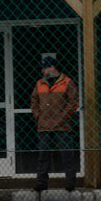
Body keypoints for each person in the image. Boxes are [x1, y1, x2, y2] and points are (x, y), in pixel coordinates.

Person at [30, 56, 79, 192]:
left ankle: (70, 183)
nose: (43, 71)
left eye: (45, 68)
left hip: (62, 126)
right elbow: (34, 101)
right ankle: (41, 183)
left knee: (67, 155)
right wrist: (38, 116)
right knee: (43, 155)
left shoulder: (67, 82)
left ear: (52, 68)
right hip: (44, 125)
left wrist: (62, 118)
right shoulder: (40, 83)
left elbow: (73, 102)